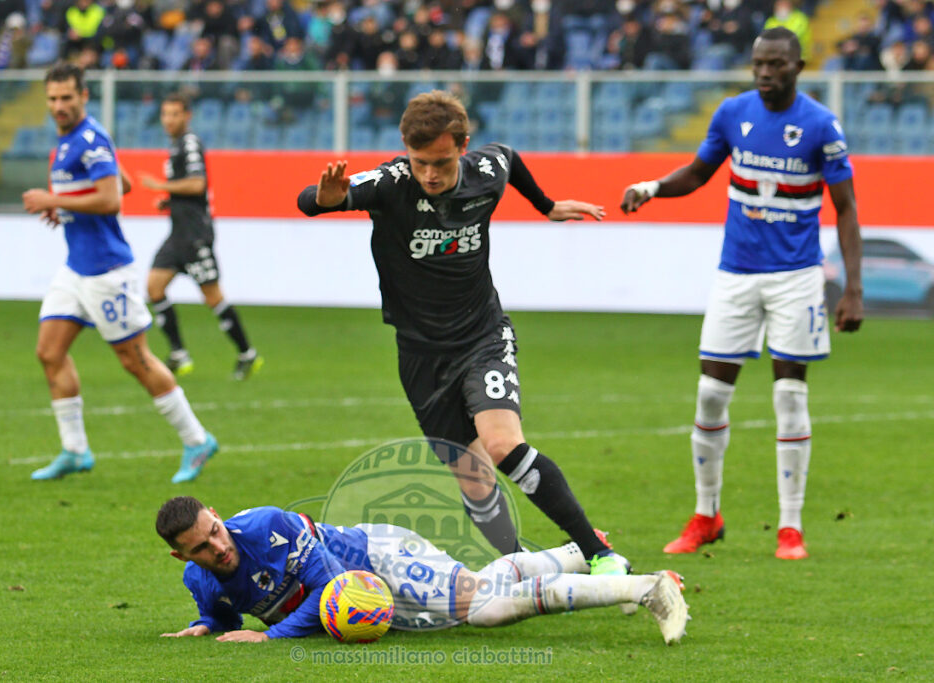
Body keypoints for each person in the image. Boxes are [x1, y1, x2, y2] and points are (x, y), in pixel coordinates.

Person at [296, 90, 629, 580]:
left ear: (462, 148)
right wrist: (326, 198)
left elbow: (509, 158)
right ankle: (523, 568)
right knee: (473, 478)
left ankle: (598, 553)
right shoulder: (391, 182)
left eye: (442, 162)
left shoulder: (484, 172)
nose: (430, 174)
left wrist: (547, 206)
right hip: (420, 354)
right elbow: (311, 201)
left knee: (502, 445)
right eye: (420, 162)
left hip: (482, 337)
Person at [620, 27, 863, 560]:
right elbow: (698, 173)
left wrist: (853, 289)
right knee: (710, 393)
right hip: (736, 274)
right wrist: (652, 187)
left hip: (796, 277)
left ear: (798, 67)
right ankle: (706, 515)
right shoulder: (733, 113)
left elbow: (845, 208)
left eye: (776, 64)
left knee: (790, 397)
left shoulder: (821, 125)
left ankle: (790, 527)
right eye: (759, 64)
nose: (765, 72)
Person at [21, 63, 218, 484]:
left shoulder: (89, 139)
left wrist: (54, 200)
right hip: (76, 268)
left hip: (107, 272)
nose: (59, 105)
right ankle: (75, 450)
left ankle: (197, 439)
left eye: (66, 98)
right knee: (49, 352)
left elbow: (112, 199)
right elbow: (124, 183)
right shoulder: (72, 139)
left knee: (135, 360)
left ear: (83, 96)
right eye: (52, 99)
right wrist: (67, 206)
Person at [155, 496, 689, 644]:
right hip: (369, 591)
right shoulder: (198, 577)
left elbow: (333, 588)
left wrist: (270, 637)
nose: (218, 547)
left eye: (216, 531)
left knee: (485, 609)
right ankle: (582, 552)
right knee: (486, 587)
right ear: (182, 557)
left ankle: (646, 588)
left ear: (218, 516)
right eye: (201, 547)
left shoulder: (269, 526)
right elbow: (223, 614)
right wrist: (207, 625)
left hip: (380, 558)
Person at [138, 93, 263, 381]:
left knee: (212, 296)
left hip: (195, 235)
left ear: (187, 116)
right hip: (178, 234)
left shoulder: (190, 143)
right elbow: (190, 192)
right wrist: (170, 201)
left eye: (175, 114)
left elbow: (197, 184)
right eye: (165, 114)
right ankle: (179, 353)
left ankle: (247, 353)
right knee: (154, 287)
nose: (168, 120)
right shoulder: (176, 146)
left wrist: (161, 186)